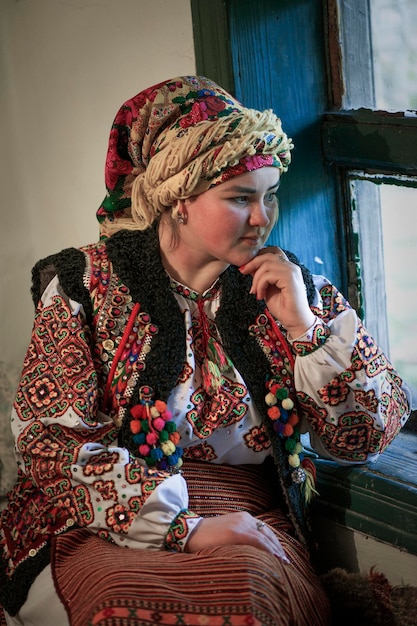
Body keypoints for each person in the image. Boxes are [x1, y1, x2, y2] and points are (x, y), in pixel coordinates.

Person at [0, 75, 411, 626]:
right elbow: (49, 445)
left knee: (247, 607)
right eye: (241, 199)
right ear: (178, 199)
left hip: (248, 516)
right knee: (117, 611)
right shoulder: (84, 284)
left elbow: (366, 435)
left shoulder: (292, 287)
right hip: (101, 518)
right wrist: (183, 528)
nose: (263, 218)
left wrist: (306, 331)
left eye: (270, 196)